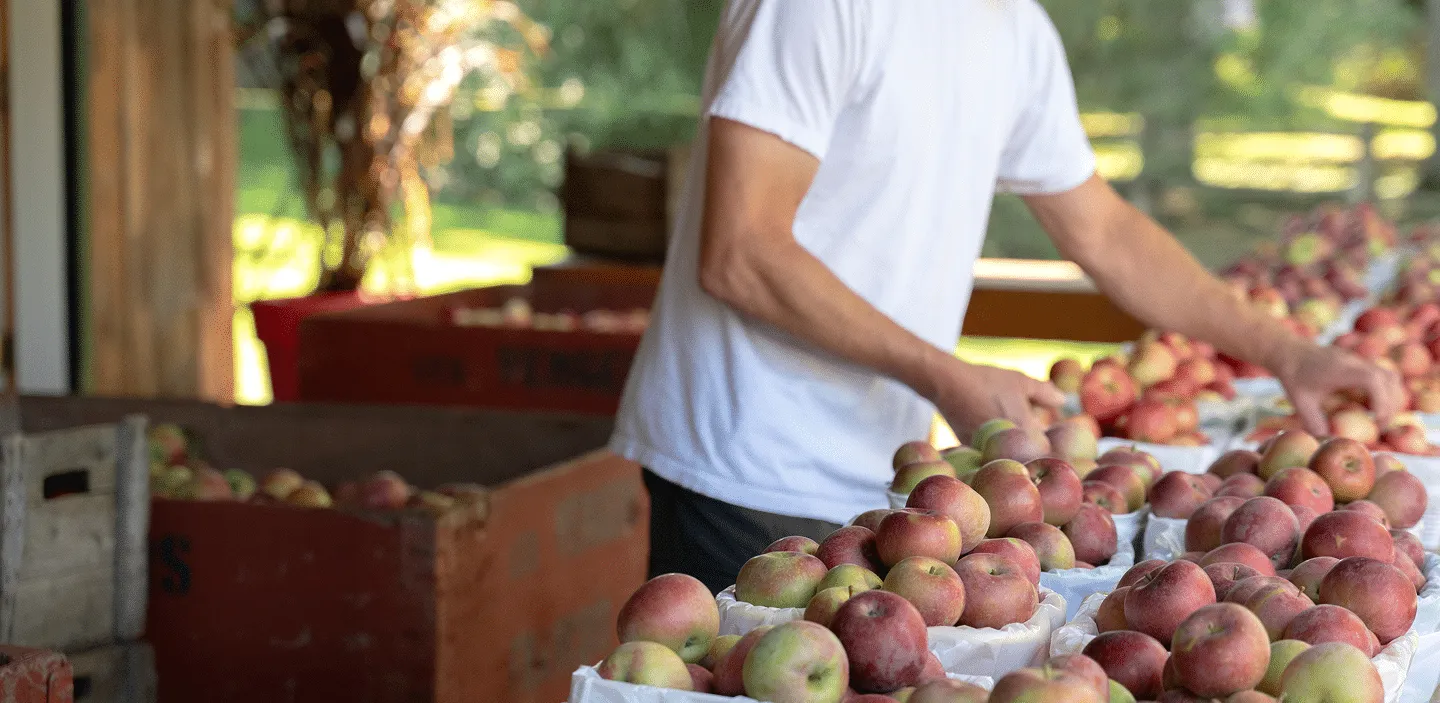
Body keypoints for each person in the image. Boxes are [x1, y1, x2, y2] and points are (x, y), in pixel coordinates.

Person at [609, 0, 1402, 593]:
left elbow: (1105, 233)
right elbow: (741, 251)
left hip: (888, 471)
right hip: (743, 460)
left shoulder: (1013, 26)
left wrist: (1288, 351)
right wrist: (945, 374)